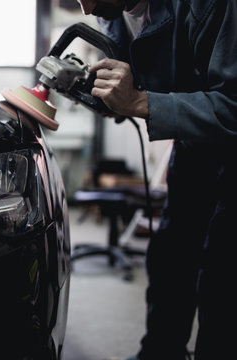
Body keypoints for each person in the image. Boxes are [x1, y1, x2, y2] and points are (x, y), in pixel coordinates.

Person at [74, 1, 237, 359]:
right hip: (196, 143)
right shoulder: (111, 12)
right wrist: (97, 93)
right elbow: (136, 82)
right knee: (171, 254)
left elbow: (233, 105)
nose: (86, 10)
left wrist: (139, 101)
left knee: (222, 271)